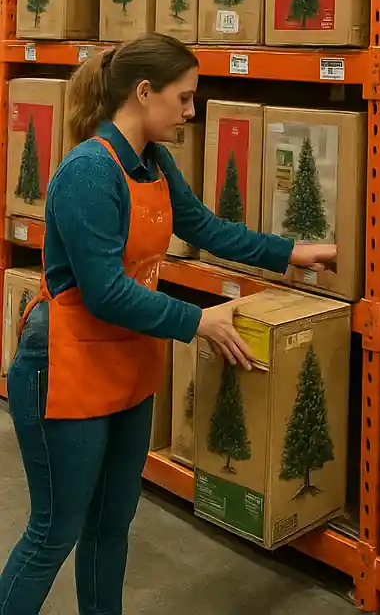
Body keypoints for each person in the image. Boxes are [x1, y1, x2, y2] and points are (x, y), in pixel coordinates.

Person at [0, 33, 336, 615]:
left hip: (127, 363)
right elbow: (104, 293)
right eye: (183, 98)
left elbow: (204, 229)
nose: (190, 111)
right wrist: (197, 320)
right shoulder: (87, 172)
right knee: (55, 531)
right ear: (143, 92)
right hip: (64, 368)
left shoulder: (153, 163)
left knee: (112, 525)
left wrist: (290, 253)